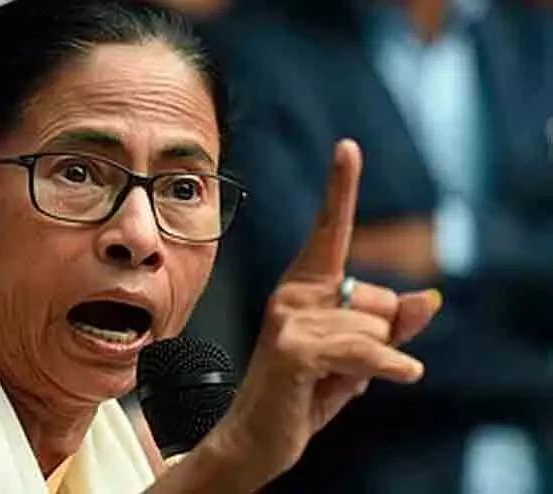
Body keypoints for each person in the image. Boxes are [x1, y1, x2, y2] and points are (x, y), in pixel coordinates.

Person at [0, 1, 441, 492]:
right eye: (76, 174)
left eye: (183, 188)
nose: (139, 236)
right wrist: (224, 467)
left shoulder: (111, 447)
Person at [195, 0, 553, 492]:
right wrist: (538, 362)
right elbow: (306, 295)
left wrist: (455, 243)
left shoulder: (535, 40)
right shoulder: (258, 50)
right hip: (364, 467)